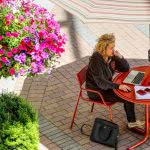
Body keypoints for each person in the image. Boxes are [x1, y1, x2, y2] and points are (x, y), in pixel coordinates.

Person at [86, 33, 144, 128]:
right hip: (98, 91)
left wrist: (120, 57)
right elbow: (101, 83)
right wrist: (118, 86)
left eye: (114, 47)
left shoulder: (109, 56)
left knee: (129, 90)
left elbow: (125, 69)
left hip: (107, 86)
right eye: (111, 48)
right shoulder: (96, 61)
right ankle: (132, 123)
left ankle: (132, 122)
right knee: (128, 96)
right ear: (103, 48)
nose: (113, 50)